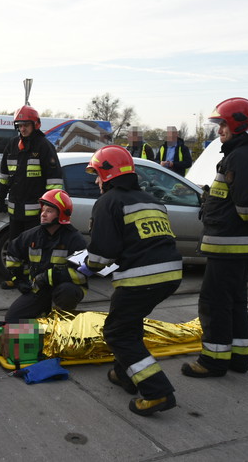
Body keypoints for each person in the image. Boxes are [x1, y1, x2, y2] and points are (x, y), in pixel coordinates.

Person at [80, 145, 183, 417]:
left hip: (141, 277)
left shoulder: (108, 202)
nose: (95, 181)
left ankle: (156, 391)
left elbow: (102, 255)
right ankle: (125, 374)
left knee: (117, 332)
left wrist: (85, 265)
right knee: (129, 321)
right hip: (170, 274)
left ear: (107, 173)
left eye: (97, 175)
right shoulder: (151, 200)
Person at [181, 98, 248, 379]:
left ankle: (213, 361)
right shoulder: (240, 154)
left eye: (222, 124)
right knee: (234, 302)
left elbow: (246, 205)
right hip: (235, 246)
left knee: (214, 304)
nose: (219, 130)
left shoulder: (241, 157)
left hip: (230, 246)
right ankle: (238, 358)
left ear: (237, 124)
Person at [0, 105, 63, 289]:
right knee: (15, 246)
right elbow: (4, 175)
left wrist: (51, 207)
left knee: (35, 249)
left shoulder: (44, 147)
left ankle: (34, 279)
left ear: (36, 125)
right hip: (15, 209)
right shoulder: (12, 146)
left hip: (36, 212)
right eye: (19, 125)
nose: (22, 129)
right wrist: (0, 196)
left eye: (26, 124)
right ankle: (15, 278)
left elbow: (54, 180)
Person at [4, 189, 88, 322]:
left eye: (49, 211)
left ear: (61, 214)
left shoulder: (75, 240)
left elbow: (82, 274)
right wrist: (19, 279)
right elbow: (12, 255)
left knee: (67, 291)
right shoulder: (31, 236)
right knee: (13, 319)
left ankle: (61, 325)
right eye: (43, 210)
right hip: (38, 289)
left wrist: (49, 276)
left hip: (64, 290)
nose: (43, 214)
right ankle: (39, 339)